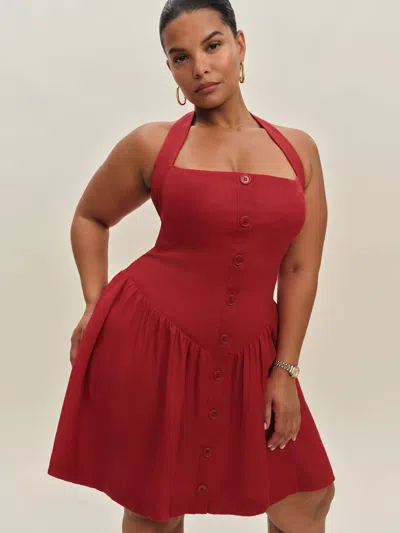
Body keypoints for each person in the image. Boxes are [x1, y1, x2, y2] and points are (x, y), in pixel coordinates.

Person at [47, 1, 336, 532]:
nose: (200, 67)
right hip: (153, 343)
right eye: (180, 57)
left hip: (253, 351)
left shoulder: (299, 151)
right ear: (171, 69)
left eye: (213, 45)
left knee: (306, 496)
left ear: (240, 45)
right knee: (157, 506)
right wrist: (93, 301)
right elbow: (90, 217)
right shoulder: (152, 144)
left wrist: (286, 367)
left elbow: (299, 269)